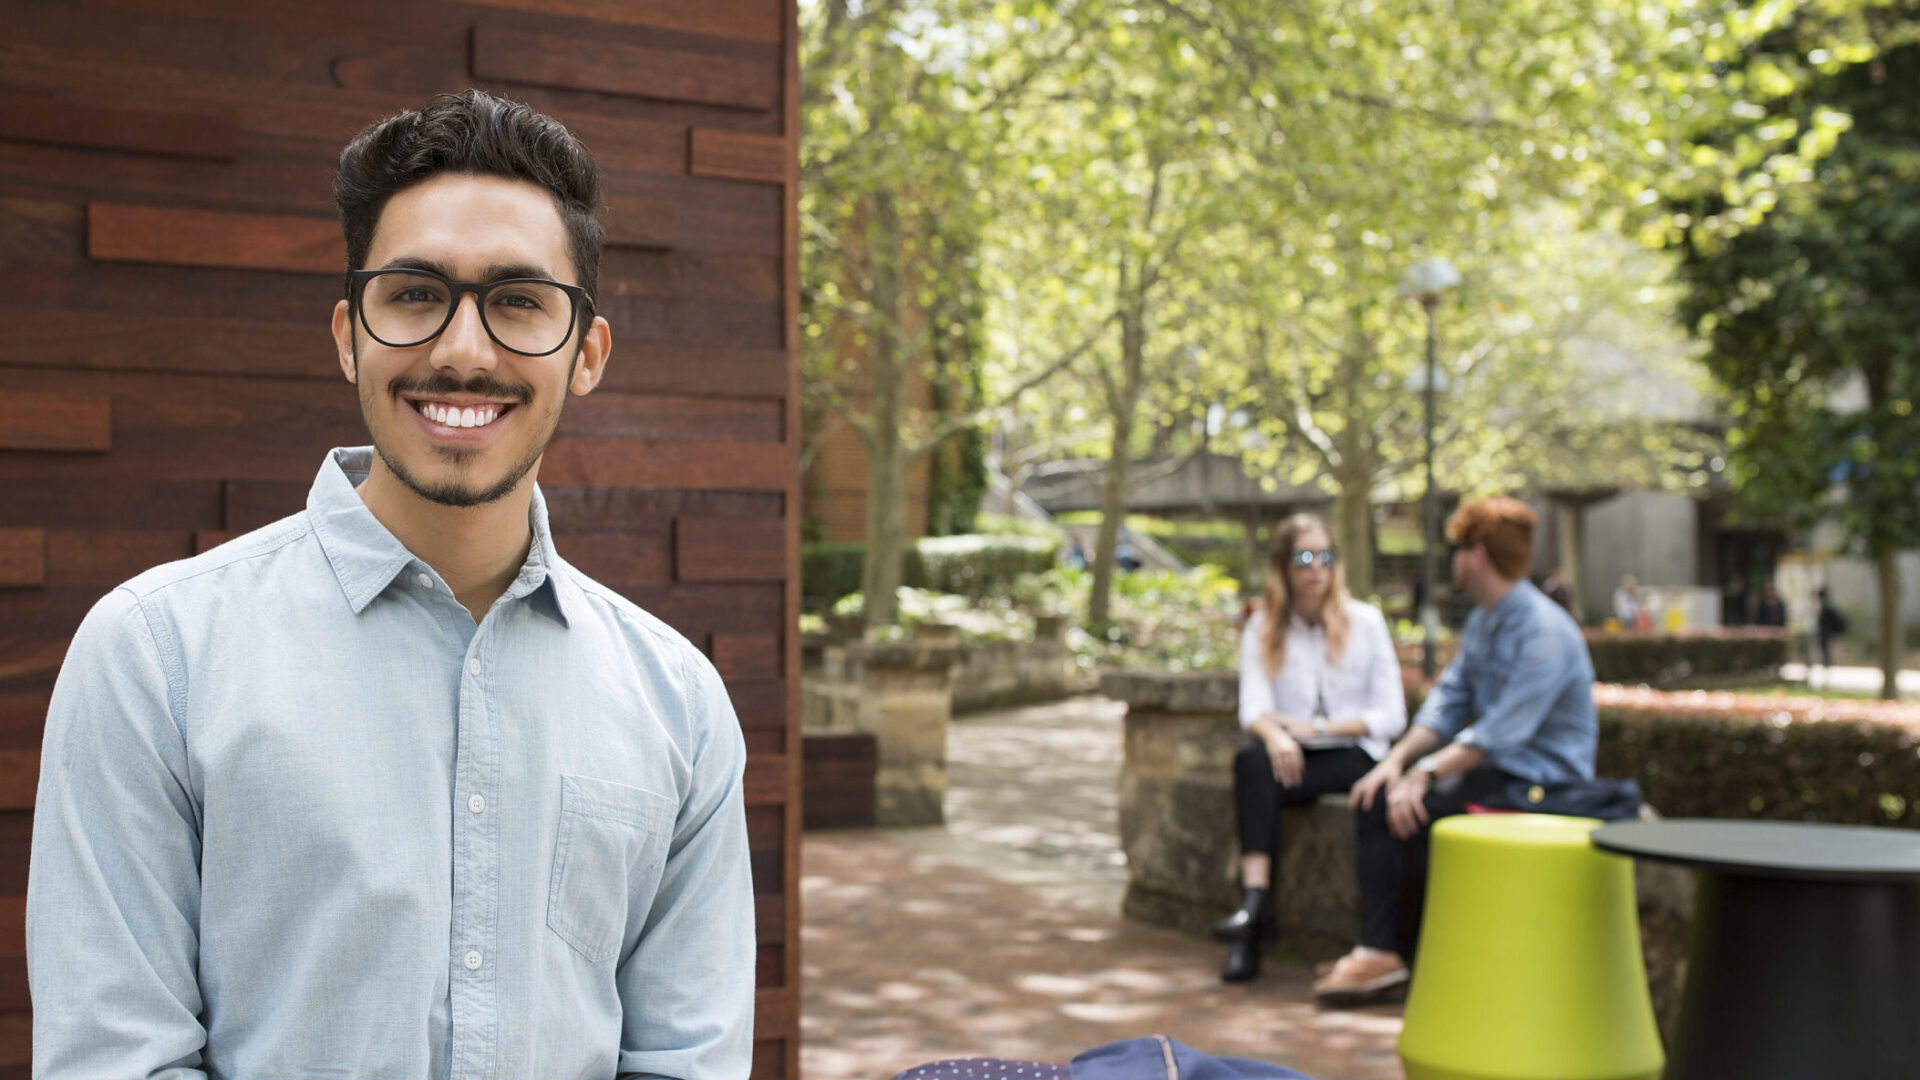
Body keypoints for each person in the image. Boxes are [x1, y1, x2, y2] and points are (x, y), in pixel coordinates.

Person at [27, 91, 755, 1077]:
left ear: (586, 353)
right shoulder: (157, 659)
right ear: (348, 336)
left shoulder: (681, 705)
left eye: (518, 301)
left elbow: (684, 1062)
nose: (463, 349)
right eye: (414, 294)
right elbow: (116, 1059)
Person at [1312, 497, 1597, 1006]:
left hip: (1545, 786)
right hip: (1499, 774)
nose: (1453, 560)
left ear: (1479, 555)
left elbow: (1500, 733)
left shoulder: (1545, 631)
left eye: (1458, 549)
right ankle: (1385, 953)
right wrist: (1395, 763)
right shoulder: (1486, 622)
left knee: (1413, 805)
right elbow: (1446, 706)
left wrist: (1422, 772)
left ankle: (1388, 953)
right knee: (1381, 795)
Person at [1213, 514, 1407, 982]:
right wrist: (1279, 734)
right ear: (1283, 566)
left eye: (1325, 556)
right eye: (1304, 557)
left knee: (1352, 785)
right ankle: (1254, 911)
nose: (1316, 568)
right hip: (1294, 755)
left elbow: (1391, 715)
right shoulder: (1264, 625)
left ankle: (1257, 923)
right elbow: (1254, 708)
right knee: (1252, 762)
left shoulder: (1366, 621)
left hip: (1354, 755)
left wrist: (1315, 727)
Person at [1815, 586, 1846, 668]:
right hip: (1825, 631)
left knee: (1825, 649)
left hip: (1825, 631)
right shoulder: (1825, 605)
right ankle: (1826, 664)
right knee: (1825, 649)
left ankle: (1827, 664)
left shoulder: (1825, 606)